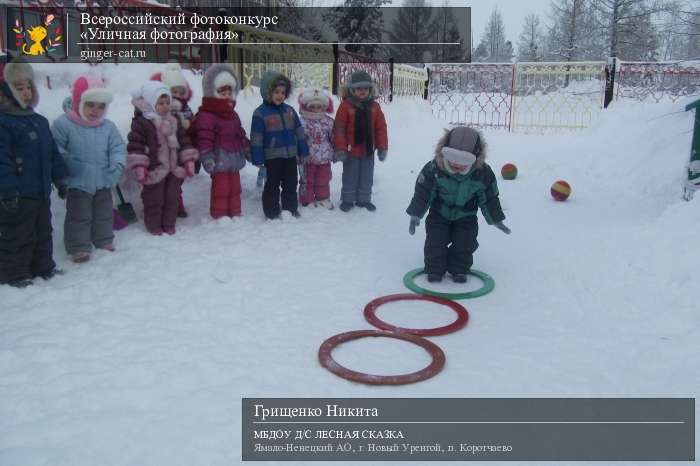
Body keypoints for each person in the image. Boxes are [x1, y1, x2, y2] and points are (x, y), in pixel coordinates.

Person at [406, 126, 510, 283]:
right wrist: (416, 213)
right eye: (452, 159)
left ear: (475, 158)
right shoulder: (434, 169)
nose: (456, 165)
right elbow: (423, 192)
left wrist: (496, 218)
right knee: (435, 242)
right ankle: (435, 269)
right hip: (439, 214)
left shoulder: (481, 173)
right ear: (444, 152)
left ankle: (459, 269)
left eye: (463, 162)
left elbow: (490, 197)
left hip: (466, 216)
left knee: (465, 243)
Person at [0, 60, 68, 287]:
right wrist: (8, 190)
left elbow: (52, 154)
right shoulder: (4, 123)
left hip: (40, 190)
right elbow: (2, 160)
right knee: (18, 234)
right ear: (7, 91)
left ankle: (43, 266)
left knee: (43, 230)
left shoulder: (38, 121)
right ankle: (14, 273)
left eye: (29, 87)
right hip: (18, 193)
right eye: (19, 88)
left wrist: (60, 178)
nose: (27, 93)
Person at [51, 75, 125, 263]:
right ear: (78, 101)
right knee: (79, 215)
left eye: (101, 106)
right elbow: (55, 149)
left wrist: (116, 165)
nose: (95, 111)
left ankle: (103, 239)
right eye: (90, 104)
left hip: (103, 180)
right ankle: (78, 247)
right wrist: (68, 164)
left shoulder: (108, 127)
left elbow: (117, 147)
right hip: (78, 182)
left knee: (104, 213)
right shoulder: (64, 124)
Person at [126, 81, 198, 235]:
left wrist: (188, 159)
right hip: (154, 168)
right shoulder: (142, 122)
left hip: (173, 168)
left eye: (167, 102)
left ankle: (169, 223)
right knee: (154, 198)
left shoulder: (174, 120)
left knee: (172, 196)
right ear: (151, 103)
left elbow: (184, 140)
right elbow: (136, 144)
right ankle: (153, 224)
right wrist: (140, 165)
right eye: (160, 103)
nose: (165, 106)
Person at [190, 64, 250, 219]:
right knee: (221, 188)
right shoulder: (207, 116)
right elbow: (204, 139)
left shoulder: (233, 114)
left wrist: (248, 149)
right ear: (213, 92)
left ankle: (235, 212)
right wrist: (207, 157)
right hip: (219, 159)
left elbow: (240, 135)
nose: (227, 95)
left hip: (234, 158)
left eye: (229, 92)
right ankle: (220, 214)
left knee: (235, 187)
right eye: (222, 92)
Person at [250, 70, 309, 219]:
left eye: (283, 92)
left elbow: (299, 131)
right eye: (276, 92)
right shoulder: (260, 113)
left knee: (290, 183)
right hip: (272, 157)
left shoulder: (289, 111)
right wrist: (257, 159)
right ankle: (271, 211)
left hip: (290, 156)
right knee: (272, 185)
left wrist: (303, 150)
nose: (280, 95)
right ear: (267, 92)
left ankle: (290, 208)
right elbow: (257, 138)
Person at [333, 70, 388, 212]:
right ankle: (347, 199)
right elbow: (339, 128)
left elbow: (381, 128)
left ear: (370, 89)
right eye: (358, 88)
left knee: (367, 175)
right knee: (350, 174)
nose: (362, 91)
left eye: (365, 88)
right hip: (351, 150)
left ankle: (364, 199)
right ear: (352, 89)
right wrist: (340, 148)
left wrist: (382, 147)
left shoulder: (375, 107)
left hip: (368, 149)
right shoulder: (345, 106)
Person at [151, 63, 195, 217]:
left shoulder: (186, 109)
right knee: (164, 182)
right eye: (173, 91)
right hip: (164, 151)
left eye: (180, 91)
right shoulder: (162, 109)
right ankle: (164, 205)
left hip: (181, 149)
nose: (176, 94)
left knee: (176, 181)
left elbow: (191, 127)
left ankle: (177, 204)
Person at [298, 87, 335, 209]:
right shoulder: (302, 122)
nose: (315, 110)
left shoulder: (328, 122)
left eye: (318, 107)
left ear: (324, 107)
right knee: (307, 179)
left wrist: (336, 149)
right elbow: (298, 138)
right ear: (307, 106)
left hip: (324, 157)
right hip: (308, 157)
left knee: (323, 179)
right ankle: (307, 199)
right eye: (312, 107)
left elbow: (333, 136)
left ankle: (322, 197)